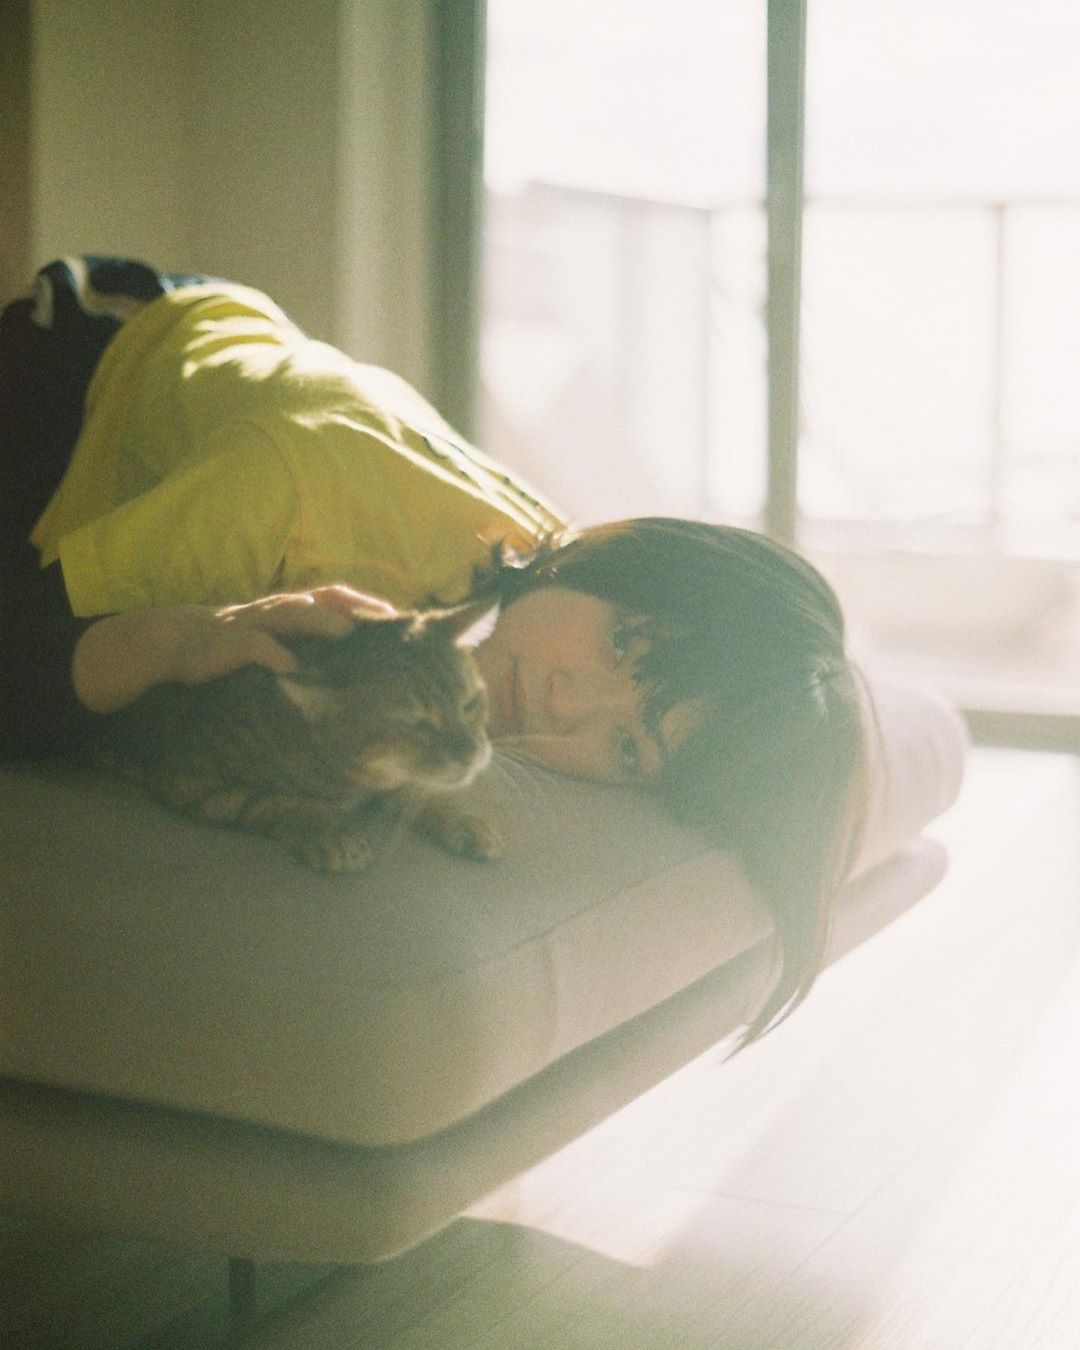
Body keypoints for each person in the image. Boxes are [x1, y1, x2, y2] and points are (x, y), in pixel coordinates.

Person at [0, 256, 870, 1042]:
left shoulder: (540, 593)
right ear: (615, 557)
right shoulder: (295, 498)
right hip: (86, 357)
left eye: (629, 746)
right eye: (621, 646)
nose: (567, 705)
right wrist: (176, 639)